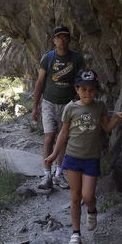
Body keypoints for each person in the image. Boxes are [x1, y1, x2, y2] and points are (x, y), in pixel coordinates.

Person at [45, 69, 122, 244]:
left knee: (88, 196)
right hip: (72, 157)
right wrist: (54, 154)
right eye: (84, 89)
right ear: (77, 89)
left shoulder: (100, 106)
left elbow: (106, 127)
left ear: (96, 90)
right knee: (74, 197)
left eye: (91, 90)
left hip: (91, 159)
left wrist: (116, 119)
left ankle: (92, 210)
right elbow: (63, 134)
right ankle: (75, 234)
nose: (88, 93)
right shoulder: (70, 108)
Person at [32, 26, 84, 190]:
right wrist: (35, 107)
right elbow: (40, 82)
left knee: (63, 140)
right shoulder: (48, 58)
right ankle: (46, 174)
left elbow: (81, 81)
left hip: (68, 105)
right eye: (58, 37)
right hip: (48, 102)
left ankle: (58, 174)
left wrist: (80, 102)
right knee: (49, 137)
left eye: (64, 37)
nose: (62, 40)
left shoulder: (76, 58)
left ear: (68, 39)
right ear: (54, 40)